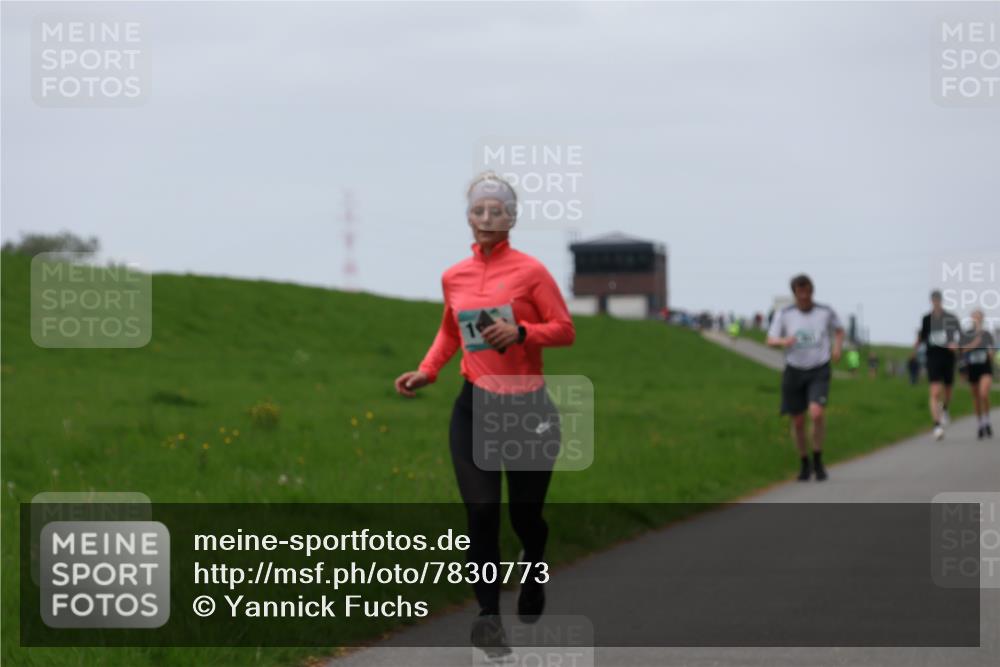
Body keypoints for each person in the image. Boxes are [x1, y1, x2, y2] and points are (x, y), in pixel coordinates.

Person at [394, 172, 575, 660]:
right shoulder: (454, 276)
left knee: (524, 516)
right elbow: (450, 332)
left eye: (497, 210)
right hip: (474, 406)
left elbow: (564, 329)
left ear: (512, 218)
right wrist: (428, 371)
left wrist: (521, 334)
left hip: (527, 409)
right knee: (481, 511)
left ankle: (534, 563)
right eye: (479, 210)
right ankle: (489, 616)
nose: (487, 218)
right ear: (468, 218)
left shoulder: (532, 272)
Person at [766, 274, 845, 481]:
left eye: (807, 291)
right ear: (794, 293)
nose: (803, 296)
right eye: (799, 292)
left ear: (812, 291)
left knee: (817, 413)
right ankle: (804, 462)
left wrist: (837, 348)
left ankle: (818, 458)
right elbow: (770, 340)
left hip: (819, 368)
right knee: (798, 421)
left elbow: (839, 330)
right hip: (794, 369)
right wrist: (784, 341)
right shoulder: (784, 314)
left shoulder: (824, 311)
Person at [915, 290, 961, 440]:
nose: (936, 302)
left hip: (947, 356)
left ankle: (945, 408)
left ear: (941, 301)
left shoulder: (950, 318)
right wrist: (917, 344)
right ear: (931, 301)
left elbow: (958, 335)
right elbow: (922, 336)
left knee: (947, 389)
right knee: (935, 391)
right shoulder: (926, 319)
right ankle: (937, 425)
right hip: (932, 357)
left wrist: (955, 344)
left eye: (938, 300)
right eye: (934, 300)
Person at [960, 310, 994, 439]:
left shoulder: (987, 334)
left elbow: (991, 349)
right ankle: (980, 423)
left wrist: (990, 353)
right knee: (976, 397)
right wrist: (974, 344)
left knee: (983, 393)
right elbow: (962, 350)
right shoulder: (967, 334)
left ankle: (987, 420)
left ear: (982, 319)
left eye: (979, 317)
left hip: (985, 367)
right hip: (973, 367)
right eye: (974, 317)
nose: (977, 320)